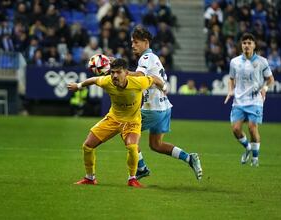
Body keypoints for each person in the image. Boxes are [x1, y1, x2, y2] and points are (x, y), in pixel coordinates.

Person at [67, 58, 166, 187]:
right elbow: (93, 80)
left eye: (118, 72)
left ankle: (132, 179)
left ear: (126, 73)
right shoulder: (107, 81)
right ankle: (90, 178)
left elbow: (153, 78)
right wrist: (78, 85)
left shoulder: (138, 82)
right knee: (87, 146)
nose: (114, 75)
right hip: (113, 119)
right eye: (112, 72)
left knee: (132, 147)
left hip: (132, 121)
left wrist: (164, 87)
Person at [128, 25, 202, 180]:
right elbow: (157, 81)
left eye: (136, 42)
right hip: (164, 107)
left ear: (146, 42)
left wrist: (121, 72)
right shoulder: (154, 58)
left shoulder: (146, 58)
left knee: (128, 132)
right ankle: (189, 158)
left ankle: (141, 168)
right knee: (156, 145)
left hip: (152, 109)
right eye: (132, 42)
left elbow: (140, 76)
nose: (132, 45)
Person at [224, 33, 275, 167]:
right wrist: (230, 90)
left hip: (255, 100)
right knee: (235, 129)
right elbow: (231, 78)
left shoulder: (262, 61)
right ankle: (247, 147)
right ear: (241, 45)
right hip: (239, 101)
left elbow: (270, 79)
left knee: (252, 128)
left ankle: (255, 159)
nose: (246, 45)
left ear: (254, 45)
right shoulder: (234, 62)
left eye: (249, 43)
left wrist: (265, 88)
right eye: (244, 43)